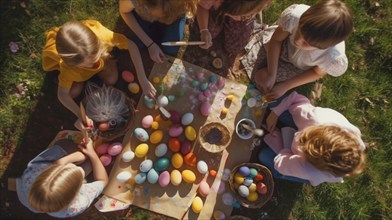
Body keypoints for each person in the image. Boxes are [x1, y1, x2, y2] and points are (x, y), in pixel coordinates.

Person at [42, 20, 154, 130]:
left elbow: (131, 46)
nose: (92, 64)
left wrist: (142, 78)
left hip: (102, 61)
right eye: (86, 64)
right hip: (78, 75)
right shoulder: (68, 68)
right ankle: (80, 79)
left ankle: (95, 68)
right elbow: (62, 94)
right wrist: (80, 114)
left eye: (95, 58)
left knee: (111, 80)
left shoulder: (103, 37)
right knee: (73, 93)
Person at [241, 0, 353, 100]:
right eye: (299, 31)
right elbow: (276, 41)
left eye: (306, 43)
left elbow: (316, 73)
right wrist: (272, 74)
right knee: (262, 73)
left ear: (322, 48)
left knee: (261, 78)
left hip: (296, 66)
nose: (298, 40)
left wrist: (286, 86)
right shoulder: (295, 17)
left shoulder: (331, 57)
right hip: (283, 46)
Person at [258, 91, 366, 186]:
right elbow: (295, 98)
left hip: (311, 169)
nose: (301, 141)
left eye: (303, 146)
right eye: (305, 138)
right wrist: (275, 113)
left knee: (265, 156)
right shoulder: (315, 118)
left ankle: (302, 178)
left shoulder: (311, 170)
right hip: (309, 126)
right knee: (276, 104)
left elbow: (280, 164)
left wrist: (283, 147)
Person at [16, 137, 108, 218]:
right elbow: (103, 181)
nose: (78, 167)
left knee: (66, 145)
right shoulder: (76, 206)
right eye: (79, 170)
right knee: (90, 164)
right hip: (33, 196)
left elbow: (57, 163)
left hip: (29, 197)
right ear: (77, 190)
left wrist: (77, 157)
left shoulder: (35, 173)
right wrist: (92, 154)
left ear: (50, 170)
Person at [119, 0, 198, 63]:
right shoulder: (134, 2)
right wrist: (150, 44)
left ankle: (174, 19)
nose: (160, 20)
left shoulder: (180, 4)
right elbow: (124, 11)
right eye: (158, 16)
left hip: (175, 12)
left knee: (170, 49)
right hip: (143, 14)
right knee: (137, 43)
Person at [195, 0, 272, 55]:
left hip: (241, 20)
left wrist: (244, 17)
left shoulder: (258, 3)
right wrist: (204, 30)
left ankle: (236, 23)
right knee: (205, 34)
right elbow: (202, 7)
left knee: (235, 48)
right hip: (217, 11)